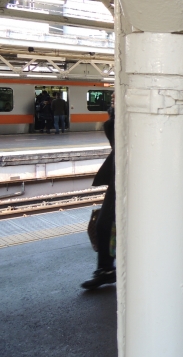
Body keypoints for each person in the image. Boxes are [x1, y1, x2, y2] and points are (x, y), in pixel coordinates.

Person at [82, 94, 116, 290]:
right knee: (105, 225)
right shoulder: (117, 120)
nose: (112, 97)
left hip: (131, 176)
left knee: (107, 224)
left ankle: (107, 269)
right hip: (118, 175)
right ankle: (106, 269)